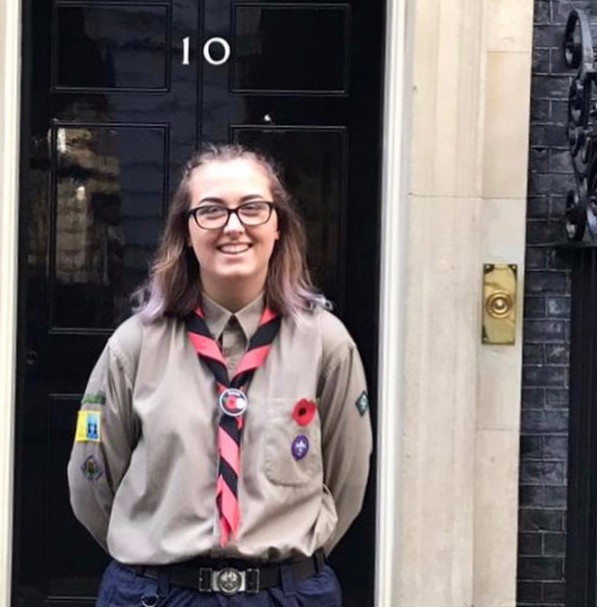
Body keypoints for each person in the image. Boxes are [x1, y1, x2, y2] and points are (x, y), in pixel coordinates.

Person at [68, 144, 372, 607]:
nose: (233, 226)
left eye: (252, 208)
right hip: (158, 595)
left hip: (286, 596)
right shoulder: (135, 345)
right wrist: (153, 553)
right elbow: (92, 483)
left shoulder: (326, 345)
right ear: (186, 232)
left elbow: (349, 477)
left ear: (278, 226)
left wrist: (287, 567)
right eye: (210, 211)